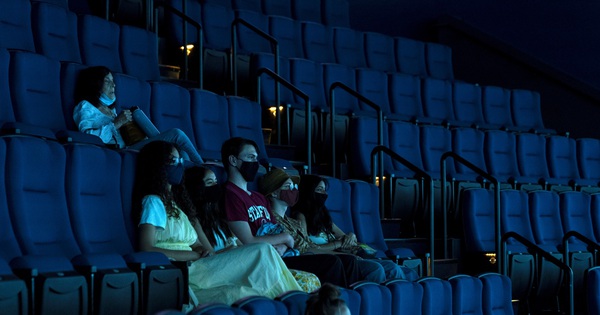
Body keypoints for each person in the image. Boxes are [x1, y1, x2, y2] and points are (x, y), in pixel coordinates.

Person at [132, 140, 303, 305]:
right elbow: (146, 248)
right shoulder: (153, 202)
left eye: (181, 160)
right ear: (158, 166)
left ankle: (292, 302)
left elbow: (199, 245)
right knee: (261, 250)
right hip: (182, 270)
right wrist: (195, 255)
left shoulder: (178, 205)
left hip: (200, 265)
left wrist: (199, 250)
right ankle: (297, 303)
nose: (180, 165)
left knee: (260, 269)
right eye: (173, 161)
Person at [221, 137, 361, 287]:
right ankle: (330, 305)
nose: (255, 163)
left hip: (281, 253)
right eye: (250, 157)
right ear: (233, 160)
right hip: (263, 258)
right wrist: (286, 238)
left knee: (349, 261)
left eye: (256, 158)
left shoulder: (259, 198)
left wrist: (285, 244)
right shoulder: (230, 194)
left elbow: (278, 232)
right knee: (331, 262)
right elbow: (248, 240)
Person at [183, 165, 321, 292]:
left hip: (240, 264)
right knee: (263, 249)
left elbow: (241, 245)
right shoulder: (194, 221)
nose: (215, 186)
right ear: (198, 188)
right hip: (220, 269)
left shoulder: (221, 218)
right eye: (209, 182)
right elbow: (210, 257)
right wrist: (233, 249)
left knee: (311, 279)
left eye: (215, 181)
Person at [259, 168, 389, 283]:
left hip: (307, 254)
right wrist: (338, 247)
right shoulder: (270, 218)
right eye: (288, 187)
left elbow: (310, 246)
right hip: (293, 258)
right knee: (336, 262)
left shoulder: (293, 222)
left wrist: (344, 244)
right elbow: (300, 249)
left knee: (349, 261)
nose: (293, 190)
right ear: (274, 193)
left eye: (294, 187)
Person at [291, 174, 419, 281]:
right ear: (309, 192)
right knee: (380, 269)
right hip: (339, 261)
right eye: (319, 190)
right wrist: (337, 244)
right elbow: (307, 248)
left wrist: (351, 235)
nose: (324, 194)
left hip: (346, 255)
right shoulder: (300, 217)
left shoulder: (322, 216)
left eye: (325, 190)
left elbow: (344, 237)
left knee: (406, 271)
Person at [73, 66, 203, 164]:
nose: (114, 84)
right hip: (121, 152)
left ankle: (195, 176)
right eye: (107, 81)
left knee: (181, 151)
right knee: (176, 134)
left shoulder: (111, 110)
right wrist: (117, 123)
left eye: (113, 81)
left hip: (135, 145)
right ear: (95, 84)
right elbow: (87, 137)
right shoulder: (84, 106)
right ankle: (203, 169)